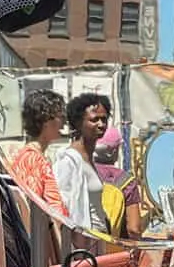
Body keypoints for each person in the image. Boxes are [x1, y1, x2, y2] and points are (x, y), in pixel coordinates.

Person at [54, 93, 112, 234]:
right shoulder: (68, 161)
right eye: (94, 120)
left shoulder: (90, 158)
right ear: (78, 123)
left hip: (99, 239)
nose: (101, 124)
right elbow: (60, 208)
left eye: (104, 119)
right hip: (82, 243)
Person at [10, 90, 67, 216]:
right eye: (61, 117)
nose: (64, 123)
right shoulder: (32, 159)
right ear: (46, 120)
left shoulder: (34, 156)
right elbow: (31, 210)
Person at [93, 127, 142, 240]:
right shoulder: (126, 181)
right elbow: (134, 229)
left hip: (79, 248)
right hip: (110, 250)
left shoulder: (78, 173)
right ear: (114, 152)